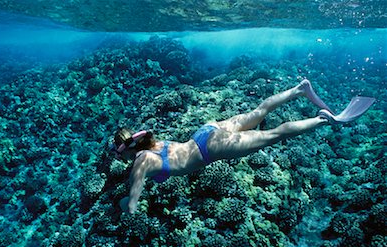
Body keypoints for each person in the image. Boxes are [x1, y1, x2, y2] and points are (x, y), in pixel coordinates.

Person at [113, 80, 375, 214]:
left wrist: (124, 203)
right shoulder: (152, 142)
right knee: (258, 112)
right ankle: (299, 89)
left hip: (211, 148)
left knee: (273, 135)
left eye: (118, 154)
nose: (120, 160)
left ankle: (322, 119)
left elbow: (133, 203)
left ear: (126, 150)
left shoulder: (141, 160)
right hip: (207, 132)